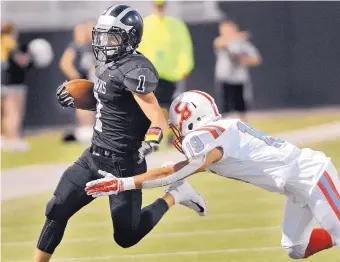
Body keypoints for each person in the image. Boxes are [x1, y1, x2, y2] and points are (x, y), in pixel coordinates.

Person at [33, 5, 206, 262]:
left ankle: (175, 194)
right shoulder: (105, 64)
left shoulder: (135, 68)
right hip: (93, 156)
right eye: (102, 36)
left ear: (130, 38)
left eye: (112, 36)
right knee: (56, 209)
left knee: (126, 237)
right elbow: (108, 101)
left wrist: (154, 135)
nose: (104, 43)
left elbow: (155, 113)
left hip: (123, 164)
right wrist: (81, 97)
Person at [86, 90, 340, 260]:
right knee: (295, 248)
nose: (178, 135)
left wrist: (123, 183)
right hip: (295, 187)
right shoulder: (219, 133)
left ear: (191, 120)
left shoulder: (204, 136)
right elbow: (177, 169)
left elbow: (171, 172)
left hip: (312, 175)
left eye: (178, 127)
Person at [138, 0, 194, 145]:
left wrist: (185, 67)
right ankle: (150, 134)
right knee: (149, 106)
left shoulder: (176, 25)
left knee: (172, 106)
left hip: (171, 73)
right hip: (149, 73)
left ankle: (172, 135)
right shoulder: (145, 24)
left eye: (161, 6)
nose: (159, 9)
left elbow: (185, 47)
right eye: (157, 6)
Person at [214, 20, 261, 122]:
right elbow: (219, 44)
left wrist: (246, 60)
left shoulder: (242, 43)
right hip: (225, 78)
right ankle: (222, 129)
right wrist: (237, 36)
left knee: (241, 106)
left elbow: (256, 59)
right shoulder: (221, 41)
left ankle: (245, 129)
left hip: (239, 79)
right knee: (224, 107)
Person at [59, 23, 95, 144]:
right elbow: (65, 63)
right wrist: (76, 78)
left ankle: (90, 129)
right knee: (83, 105)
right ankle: (85, 130)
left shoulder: (92, 46)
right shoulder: (75, 46)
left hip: (93, 80)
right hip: (83, 80)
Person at [1, 22, 32, 151]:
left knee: (5, 112)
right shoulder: (9, 42)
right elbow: (21, 60)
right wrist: (31, 58)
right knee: (14, 112)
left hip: (4, 81)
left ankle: (4, 138)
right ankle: (13, 139)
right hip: (12, 83)